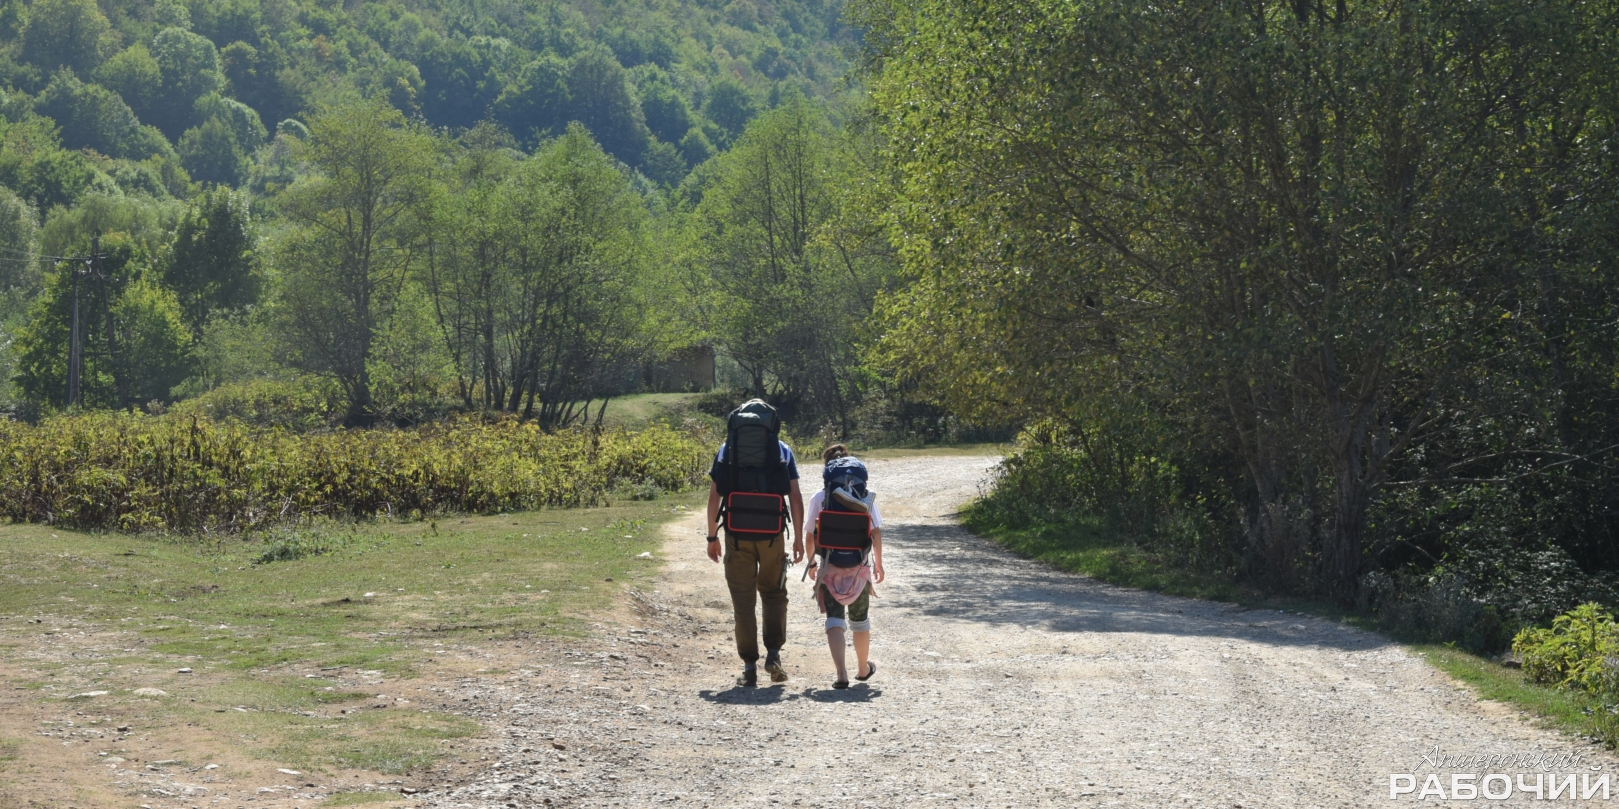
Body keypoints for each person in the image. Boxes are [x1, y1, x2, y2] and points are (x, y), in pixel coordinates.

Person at [705, 399, 805, 687]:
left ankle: (749, 666)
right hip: (772, 534)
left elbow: (715, 497)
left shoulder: (728, 449)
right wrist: (798, 538)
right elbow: (795, 498)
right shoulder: (782, 449)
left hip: (737, 535)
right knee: (774, 593)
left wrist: (712, 536)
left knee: (743, 600)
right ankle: (773, 655)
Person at [805, 444, 884, 689]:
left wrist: (811, 563)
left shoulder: (820, 498)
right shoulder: (865, 497)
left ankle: (841, 674)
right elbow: (876, 532)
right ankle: (862, 669)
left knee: (834, 619)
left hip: (830, 567)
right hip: (858, 567)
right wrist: (879, 563)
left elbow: (809, 535)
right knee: (860, 620)